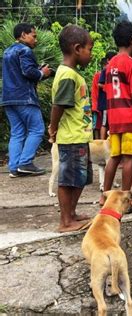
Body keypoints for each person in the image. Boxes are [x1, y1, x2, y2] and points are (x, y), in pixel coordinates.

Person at [48, 25, 94, 232]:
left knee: (80, 178)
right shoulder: (67, 75)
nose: (91, 55)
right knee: (68, 180)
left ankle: (72, 213)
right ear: (77, 49)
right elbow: (59, 104)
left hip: (79, 135)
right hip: (71, 137)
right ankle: (65, 221)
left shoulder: (72, 74)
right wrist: (53, 127)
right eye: (89, 49)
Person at [102, 21, 132, 206]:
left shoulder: (110, 64)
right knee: (129, 157)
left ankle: (104, 196)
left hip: (114, 117)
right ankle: (126, 197)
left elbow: (108, 91)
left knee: (114, 158)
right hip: (129, 117)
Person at [1, 23, 53, 177]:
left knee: (17, 133)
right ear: (23, 35)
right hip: (25, 97)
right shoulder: (25, 50)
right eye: (34, 36)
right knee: (37, 129)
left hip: (8, 98)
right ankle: (25, 163)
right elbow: (28, 72)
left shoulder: (7, 51)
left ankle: (14, 167)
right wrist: (43, 73)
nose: (35, 40)